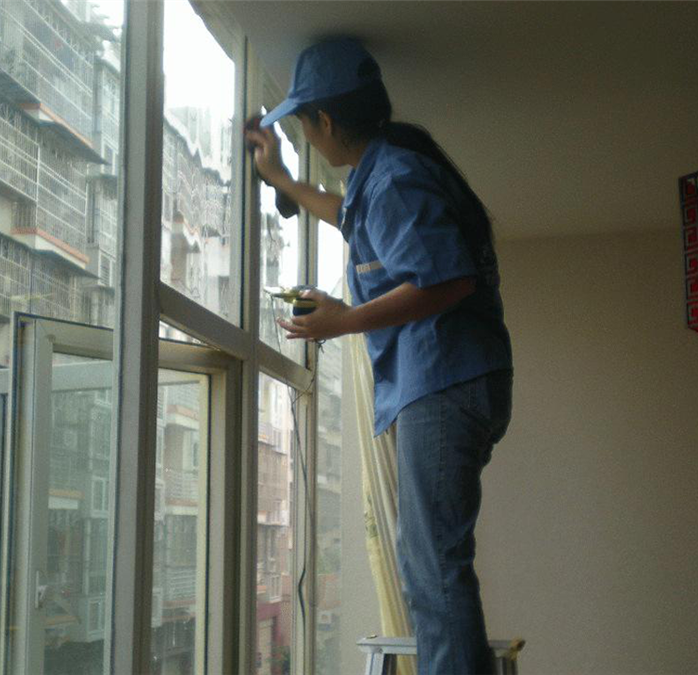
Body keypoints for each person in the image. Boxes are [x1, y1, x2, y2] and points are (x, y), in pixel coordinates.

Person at [244, 37, 513, 675]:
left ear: (324, 121)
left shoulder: (393, 178)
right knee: (431, 562)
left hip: (443, 383)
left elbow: (447, 280)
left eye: (304, 125)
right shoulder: (387, 172)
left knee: (433, 567)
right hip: (454, 380)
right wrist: (283, 181)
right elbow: (351, 215)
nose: (307, 137)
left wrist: (344, 321)